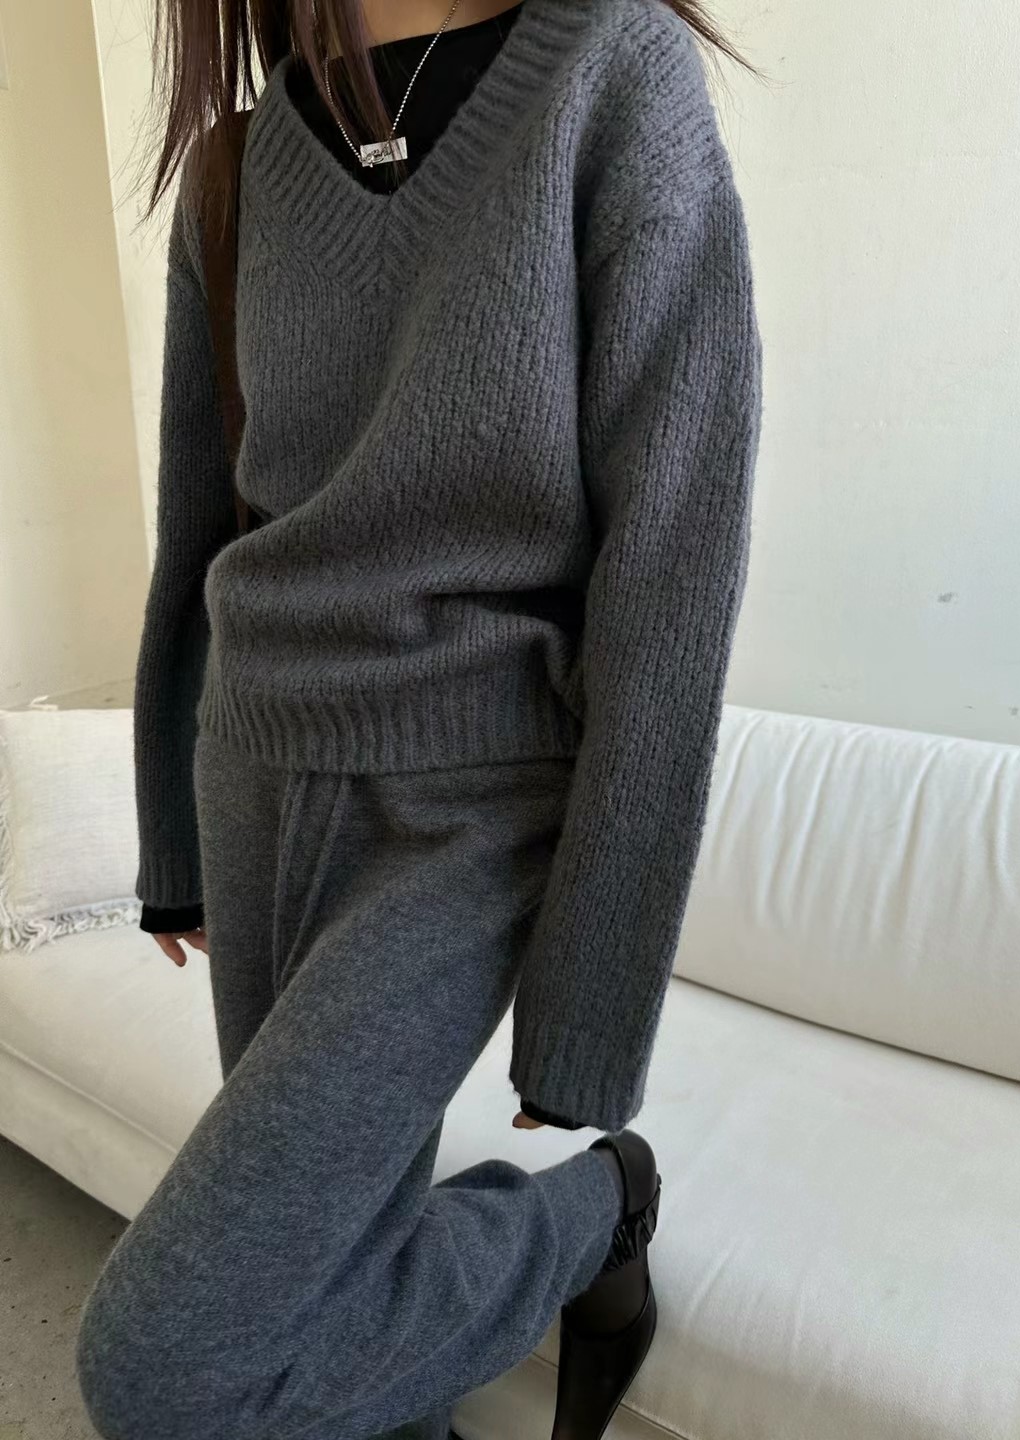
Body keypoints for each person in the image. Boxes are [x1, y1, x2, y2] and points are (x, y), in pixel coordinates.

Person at [74, 0, 763, 1436]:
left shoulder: (607, 72)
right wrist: (169, 837)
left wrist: (591, 1002)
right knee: (326, 1275)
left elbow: (674, 565)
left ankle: (596, 1213)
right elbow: (199, 524)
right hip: (252, 772)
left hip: (473, 808)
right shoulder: (237, 162)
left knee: (165, 1366)